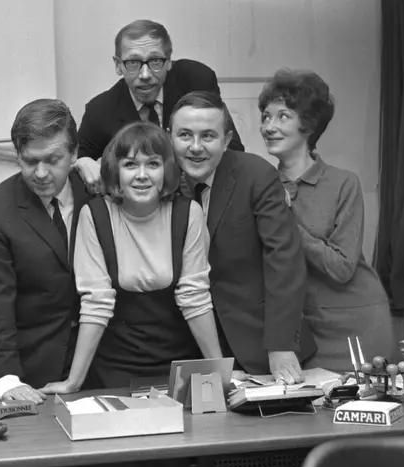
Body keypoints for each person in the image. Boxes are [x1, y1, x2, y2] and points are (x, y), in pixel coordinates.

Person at [42, 121, 223, 392]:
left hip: (180, 365)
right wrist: (73, 382)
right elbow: (96, 304)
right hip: (113, 369)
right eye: (130, 165)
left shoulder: (188, 214)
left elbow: (195, 298)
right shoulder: (95, 215)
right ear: (115, 171)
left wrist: (219, 371)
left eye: (153, 164)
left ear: (167, 170)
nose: (142, 175)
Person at [169, 90, 312, 383]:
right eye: (184, 135)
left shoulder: (256, 175)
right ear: (169, 136)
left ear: (227, 139)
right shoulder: (158, 180)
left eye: (208, 136)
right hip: (186, 348)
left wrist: (281, 344)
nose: (195, 147)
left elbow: (284, 261)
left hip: (261, 346)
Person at [258, 69, 394, 371]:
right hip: (300, 327)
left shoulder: (344, 183)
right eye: (265, 117)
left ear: (308, 124)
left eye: (282, 116)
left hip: (357, 323)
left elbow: (342, 267)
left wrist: (286, 220)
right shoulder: (261, 186)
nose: (268, 126)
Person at [0, 99, 92, 402]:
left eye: (53, 159)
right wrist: (7, 378)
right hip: (32, 371)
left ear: (74, 154)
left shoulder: (97, 192)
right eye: (30, 161)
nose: (41, 173)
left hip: (101, 363)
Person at [76, 19, 244, 193]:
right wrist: (82, 162)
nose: (145, 75)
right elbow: (77, 160)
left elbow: (233, 150)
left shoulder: (196, 80)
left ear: (169, 60)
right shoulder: (100, 110)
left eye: (155, 61)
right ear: (118, 65)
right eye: (133, 62)